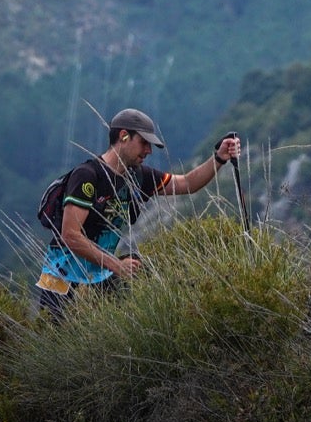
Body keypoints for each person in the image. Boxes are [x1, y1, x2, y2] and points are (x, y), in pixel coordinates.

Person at [35, 107, 241, 317]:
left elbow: (187, 183)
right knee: (54, 336)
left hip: (100, 274)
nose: (148, 150)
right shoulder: (87, 175)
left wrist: (219, 158)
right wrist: (117, 265)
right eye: (144, 142)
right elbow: (70, 235)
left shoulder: (137, 177)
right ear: (124, 136)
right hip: (61, 277)